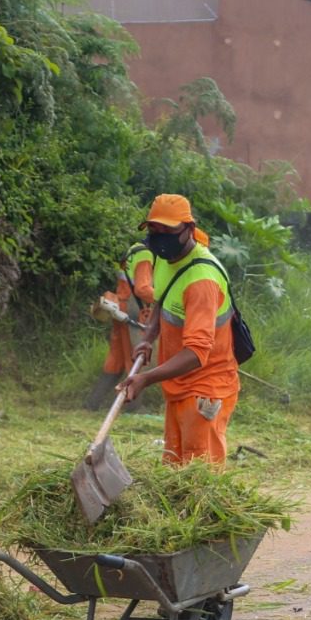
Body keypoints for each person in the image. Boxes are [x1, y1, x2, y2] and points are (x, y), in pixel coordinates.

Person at [121, 194, 240, 464]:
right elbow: (161, 299)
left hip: (205, 388)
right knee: (175, 467)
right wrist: (148, 338)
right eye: (154, 229)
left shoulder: (201, 281)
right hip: (178, 383)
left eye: (168, 230)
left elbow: (197, 353)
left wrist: (146, 378)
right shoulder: (166, 258)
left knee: (198, 476)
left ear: (188, 228)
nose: (160, 236)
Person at [85, 242, 156, 410]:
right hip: (131, 310)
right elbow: (142, 289)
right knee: (136, 358)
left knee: (115, 360)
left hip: (120, 308)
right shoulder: (146, 256)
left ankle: (92, 403)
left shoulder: (134, 249)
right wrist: (165, 298)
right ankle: (133, 407)